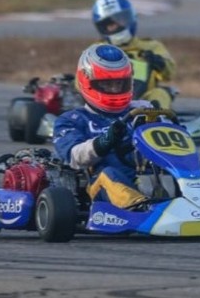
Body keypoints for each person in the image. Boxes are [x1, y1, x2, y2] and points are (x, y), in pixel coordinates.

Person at [52, 44, 152, 210]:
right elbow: (74, 156)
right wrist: (106, 141)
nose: (114, 89)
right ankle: (139, 209)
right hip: (100, 184)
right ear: (87, 82)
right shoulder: (72, 119)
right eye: (106, 84)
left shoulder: (143, 109)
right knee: (109, 174)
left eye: (120, 84)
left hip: (149, 175)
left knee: (195, 167)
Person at [91, 0, 176, 109]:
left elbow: (169, 74)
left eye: (120, 20)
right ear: (102, 27)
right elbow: (80, 82)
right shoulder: (96, 50)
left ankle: (155, 118)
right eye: (110, 24)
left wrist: (158, 62)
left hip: (143, 103)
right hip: (106, 102)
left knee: (160, 93)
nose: (116, 26)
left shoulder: (150, 47)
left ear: (130, 18)